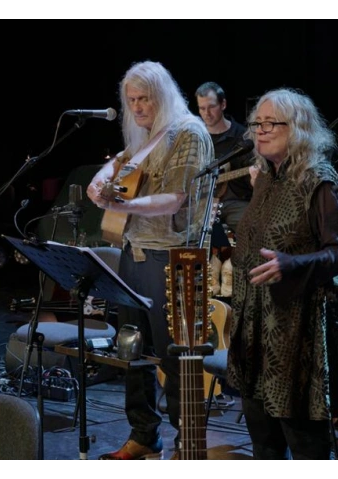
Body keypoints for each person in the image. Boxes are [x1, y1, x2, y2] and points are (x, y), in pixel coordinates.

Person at [226, 87, 338, 463]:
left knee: (305, 449)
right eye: (257, 123)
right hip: (255, 333)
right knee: (263, 446)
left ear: (299, 128)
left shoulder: (319, 181)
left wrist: (291, 264)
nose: (261, 130)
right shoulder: (266, 178)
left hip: (296, 337)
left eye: (272, 123)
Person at [86, 60, 213, 461]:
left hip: (170, 258)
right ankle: (143, 433)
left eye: (145, 99)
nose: (138, 107)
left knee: (174, 355)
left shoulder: (187, 133)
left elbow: (175, 198)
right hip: (134, 253)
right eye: (132, 100)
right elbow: (118, 162)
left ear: (162, 96)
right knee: (132, 348)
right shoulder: (146, 137)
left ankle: (186, 440)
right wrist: (98, 181)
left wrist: (123, 204)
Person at [195, 81, 255, 235]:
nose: (207, 113)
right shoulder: (195, 136)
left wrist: (254, 176)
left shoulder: (243, 136)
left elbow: (252, 178)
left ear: (223, 104)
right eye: (202, 108)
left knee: (252, 227)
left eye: (211, 107)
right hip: (199, 202)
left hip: (233, 202)